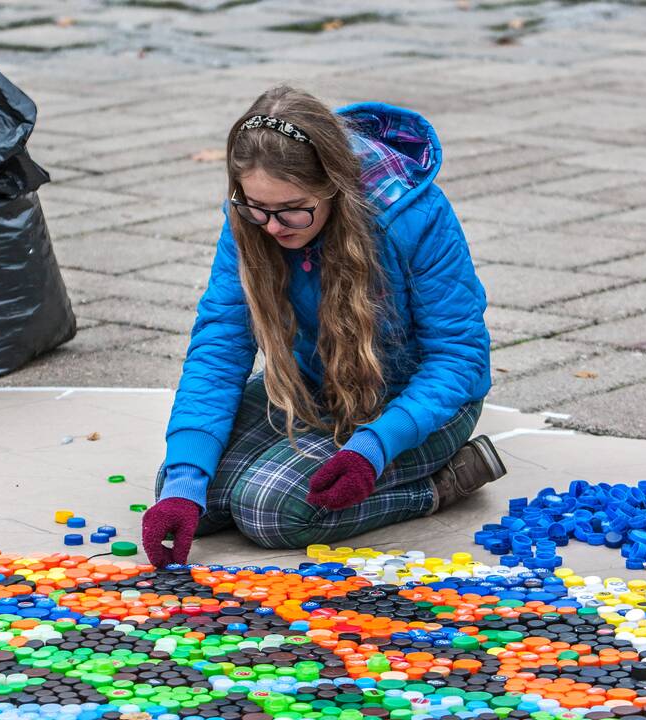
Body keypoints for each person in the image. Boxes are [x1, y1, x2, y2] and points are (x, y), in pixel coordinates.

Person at [140, 86, 506, 568]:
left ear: (335, 186)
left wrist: (374, 446)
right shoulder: (250, 221)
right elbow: (219, 346)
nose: (272, 227)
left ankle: (442, 483)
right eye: (256, 206)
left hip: (418, 404)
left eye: (293, 208)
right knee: (187, 486)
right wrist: (187, 479)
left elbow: (459, 358)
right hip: (318, 387)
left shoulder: (412, 216)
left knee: (269, 511)